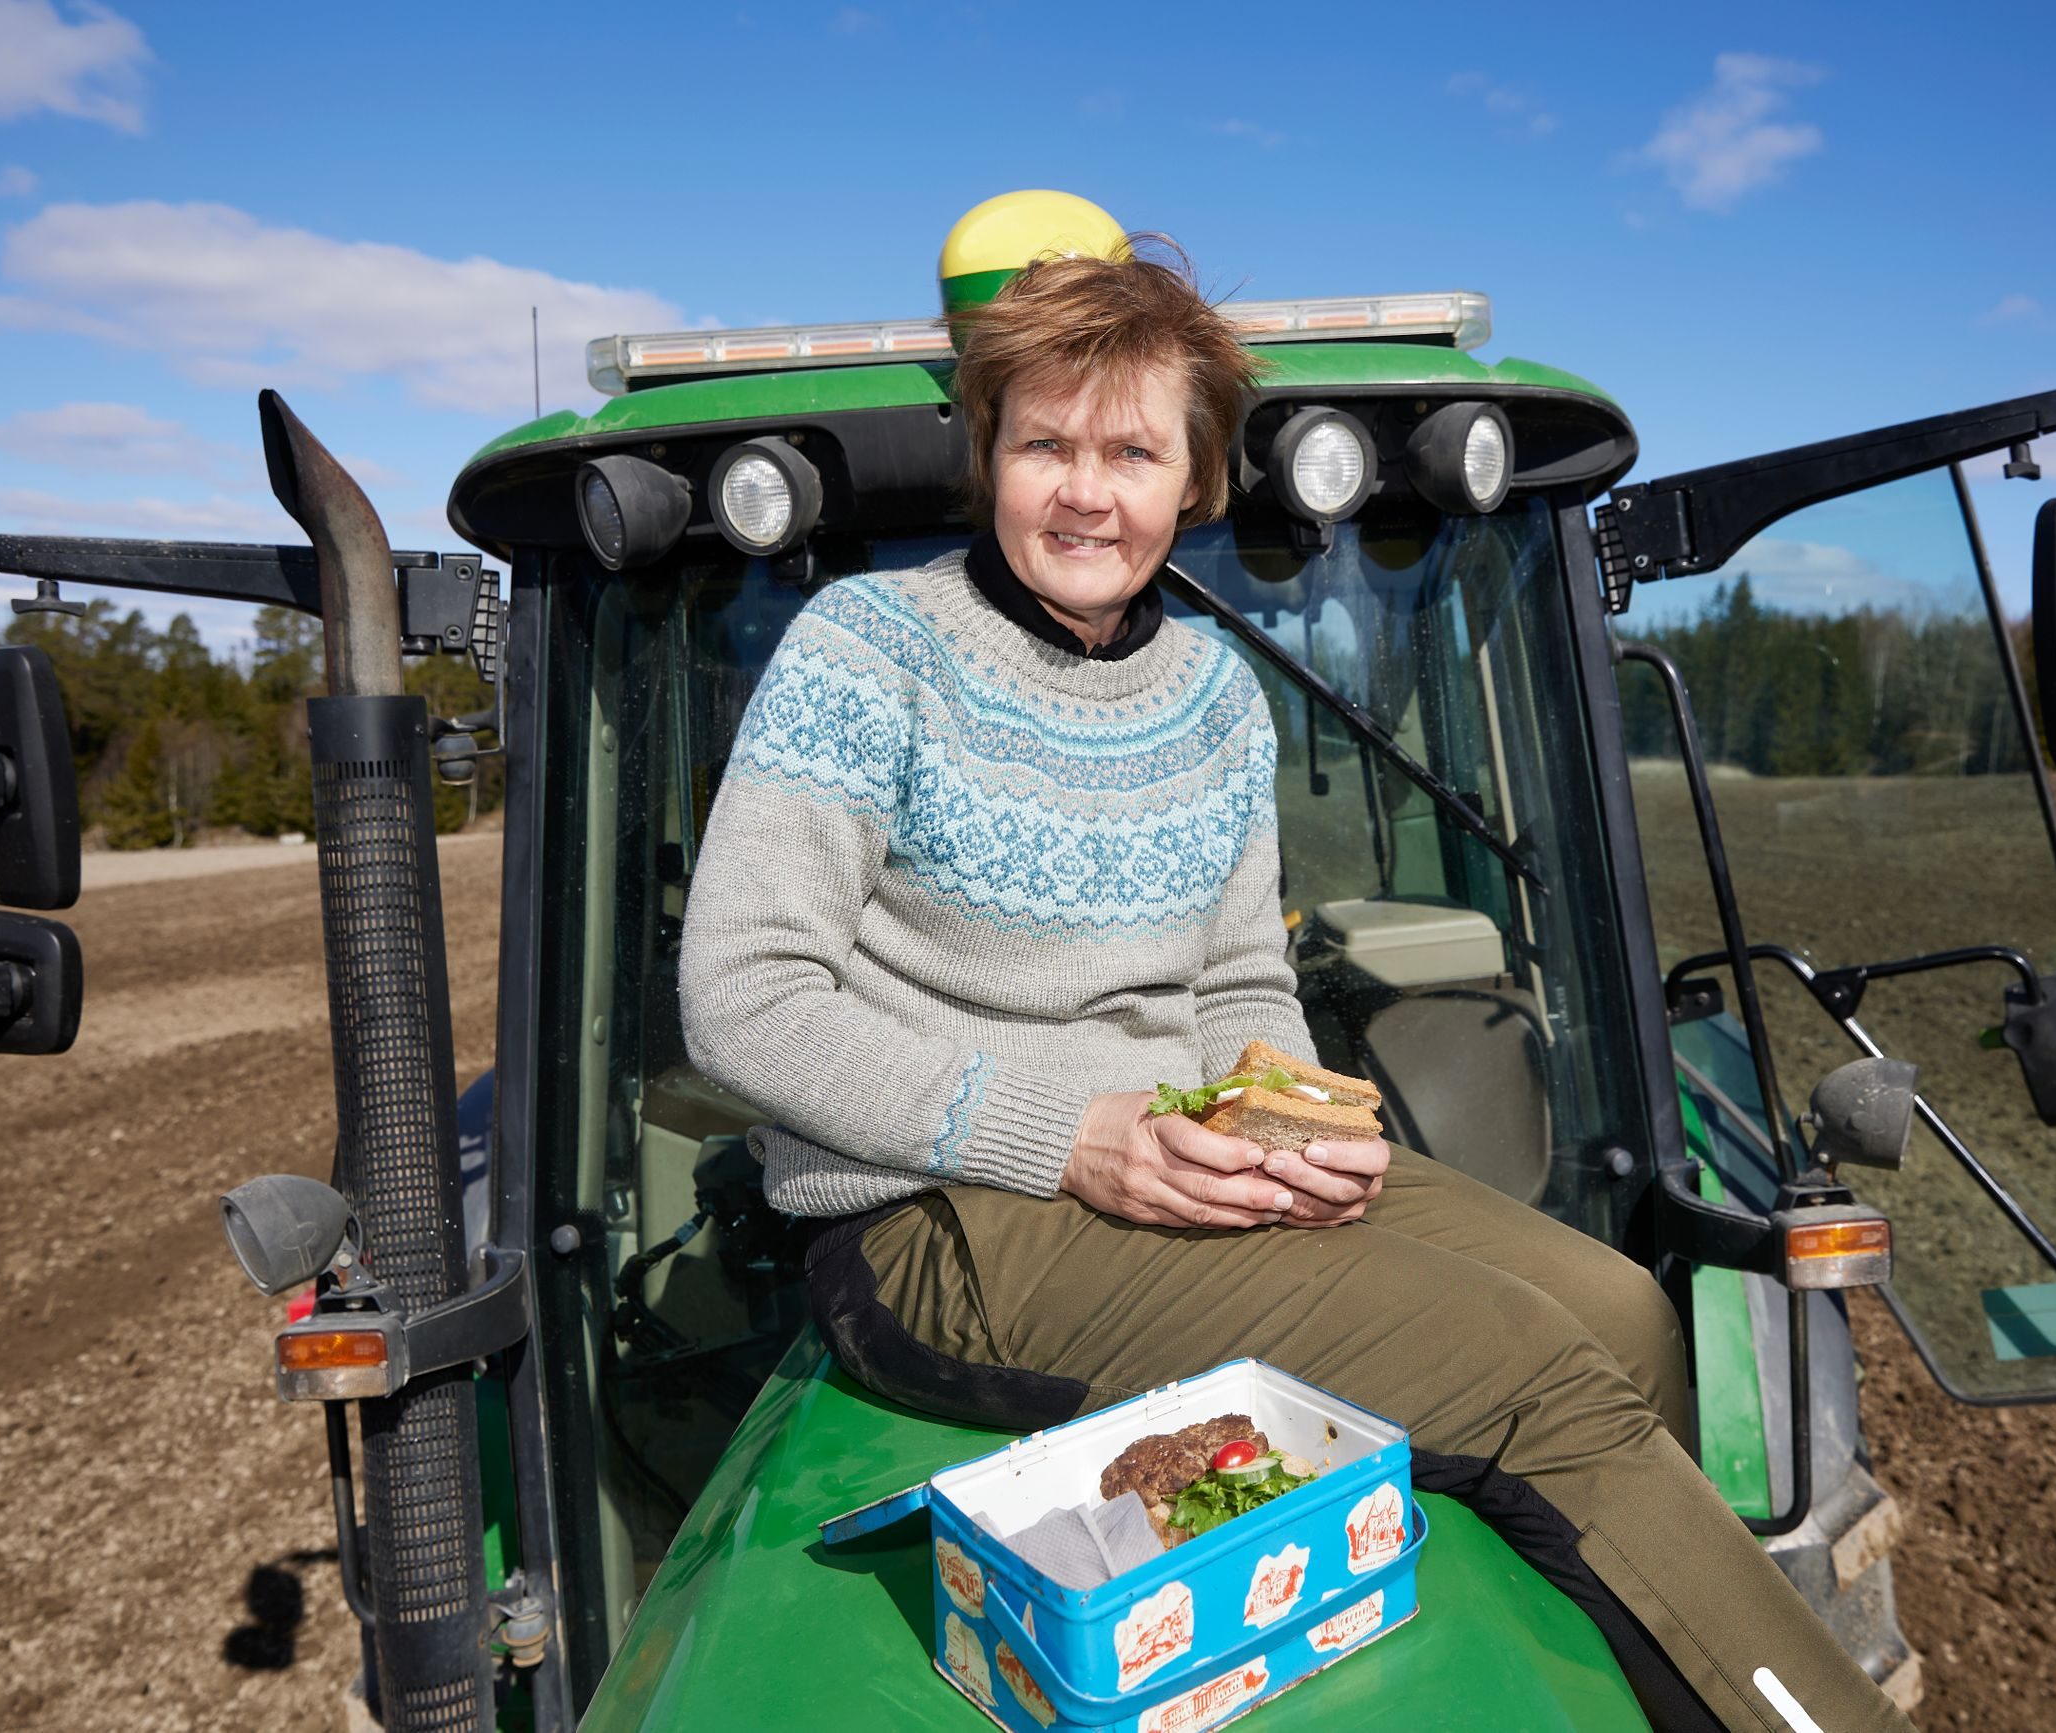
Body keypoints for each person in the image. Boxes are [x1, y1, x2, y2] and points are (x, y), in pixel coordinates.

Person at [678, 239, 1916, 1733]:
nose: (1086, 490)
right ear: (986, 452)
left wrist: (1285, 1117)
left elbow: (1243, 976)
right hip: (938, 1211)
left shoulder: (1213, 697)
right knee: (1527, 1370)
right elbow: (743, 993)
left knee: (1619, 1307)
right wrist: (1072, 1134)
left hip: (1177, 1155)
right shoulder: (868, 652)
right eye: (1046, 444)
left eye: (1131, 449)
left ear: (1194, 478)